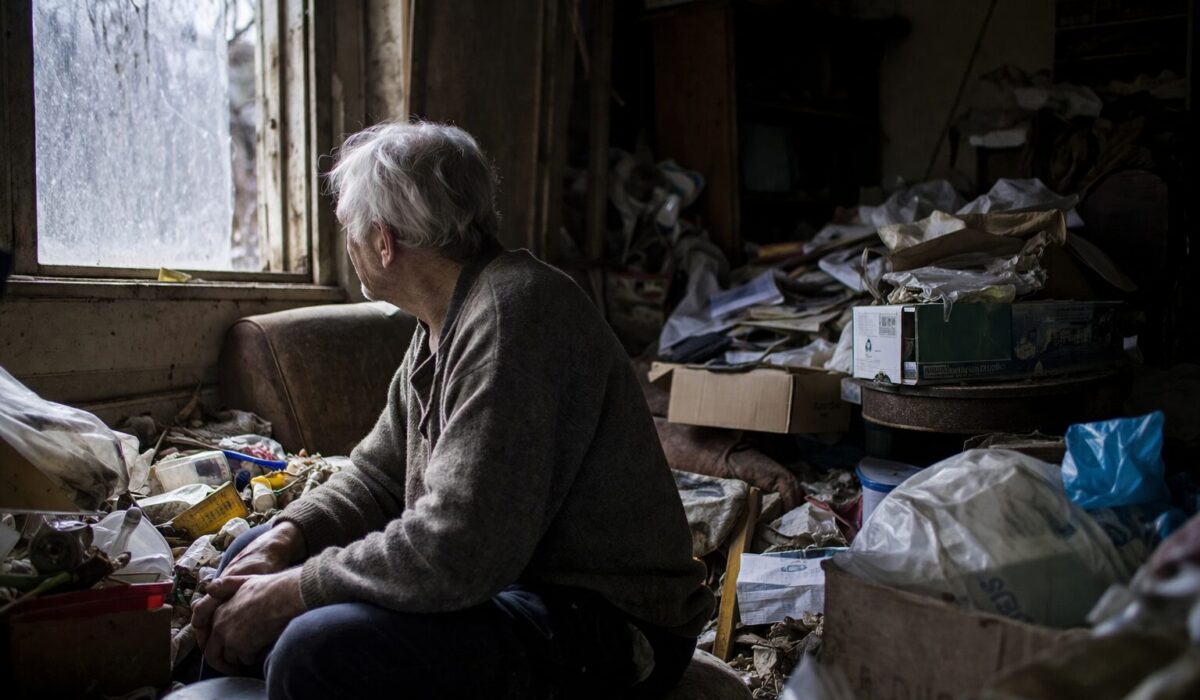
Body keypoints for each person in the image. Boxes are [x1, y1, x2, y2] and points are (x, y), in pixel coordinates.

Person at [191, 122, 713, 699]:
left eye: (349, 231)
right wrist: (289, 534)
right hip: (513, 583)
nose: (350, 245)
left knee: (313, 645)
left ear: (384, 241)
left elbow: (459, 548)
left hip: (609, 622)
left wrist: (296, 590)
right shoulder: (440, 321)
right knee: (248, 558)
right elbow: (377, 477)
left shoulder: (515, 315)